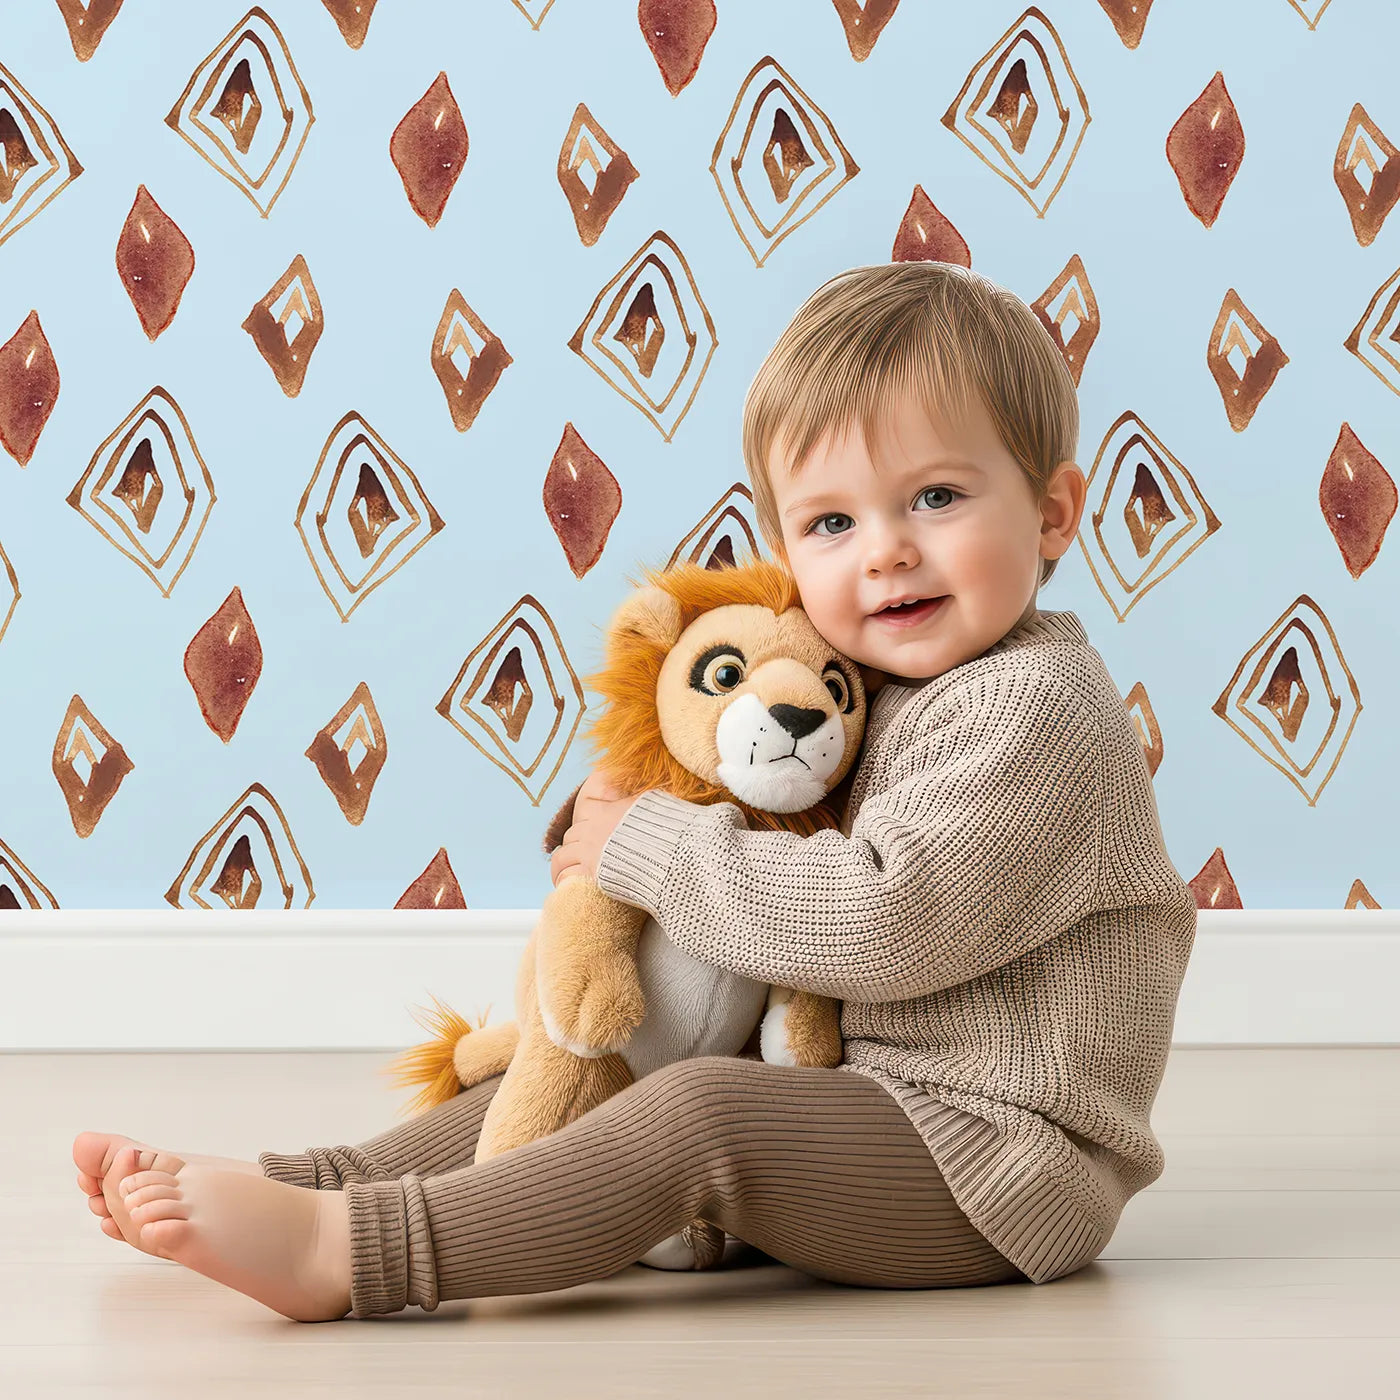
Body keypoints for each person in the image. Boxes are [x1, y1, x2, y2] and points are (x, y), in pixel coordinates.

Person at [73, 261, 1197, 1322]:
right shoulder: (858, 684)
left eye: (936, 496)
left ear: (1052, 512)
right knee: (587, 1064)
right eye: (831, 522)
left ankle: (357, 1252)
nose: (884, 553)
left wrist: (650, 845)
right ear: (783, 546)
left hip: (996, 1157)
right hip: (863, 1101)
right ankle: (322, 1183)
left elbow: (880, 918)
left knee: (696, 1114)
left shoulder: (1032, 706)